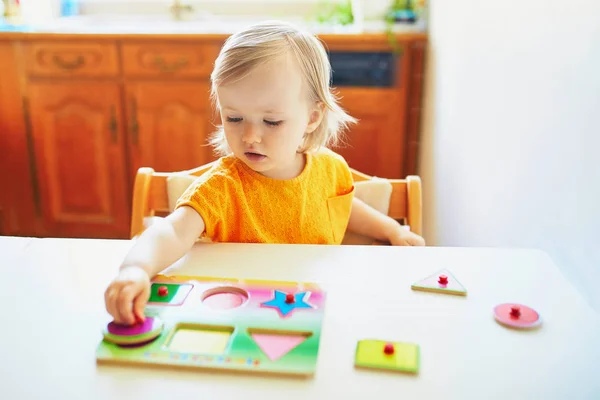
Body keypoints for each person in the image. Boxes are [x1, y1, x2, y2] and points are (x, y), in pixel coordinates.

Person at [104, 20, 425, 326]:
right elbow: (173, 232)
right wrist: (135, 269)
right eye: (234, 118)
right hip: (241, 311)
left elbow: (346, 208)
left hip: (314, 307)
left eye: (271, 122)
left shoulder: (329, 169)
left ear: (312, 117)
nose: (250, 137)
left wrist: (392, 231)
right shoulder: (223, 187)